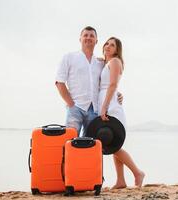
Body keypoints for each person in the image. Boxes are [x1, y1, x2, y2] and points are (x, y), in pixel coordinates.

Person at [55, 26, 122, 137]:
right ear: (80, 39)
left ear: (96, 41)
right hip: (75, 108)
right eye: (85, 35)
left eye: (92, 36)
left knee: (90, 146)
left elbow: (106, 83)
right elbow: (59, 82)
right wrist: (71, 104)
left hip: (94, 111)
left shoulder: (100, 63)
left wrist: (117, 94)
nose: (88, 37)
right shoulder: (69, 57)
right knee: (69, 142)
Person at [99, 37, 145, 189]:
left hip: (111, 106)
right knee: (114, 145)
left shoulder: (115, 62)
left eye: (112, 45)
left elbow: (113, 84)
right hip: (108, 103)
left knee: (113, 145)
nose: (108, 46)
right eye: (107, 43)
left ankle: (137, 173)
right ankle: (120, 181)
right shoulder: (106, 63)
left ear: (117, 50)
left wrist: (104, 106)